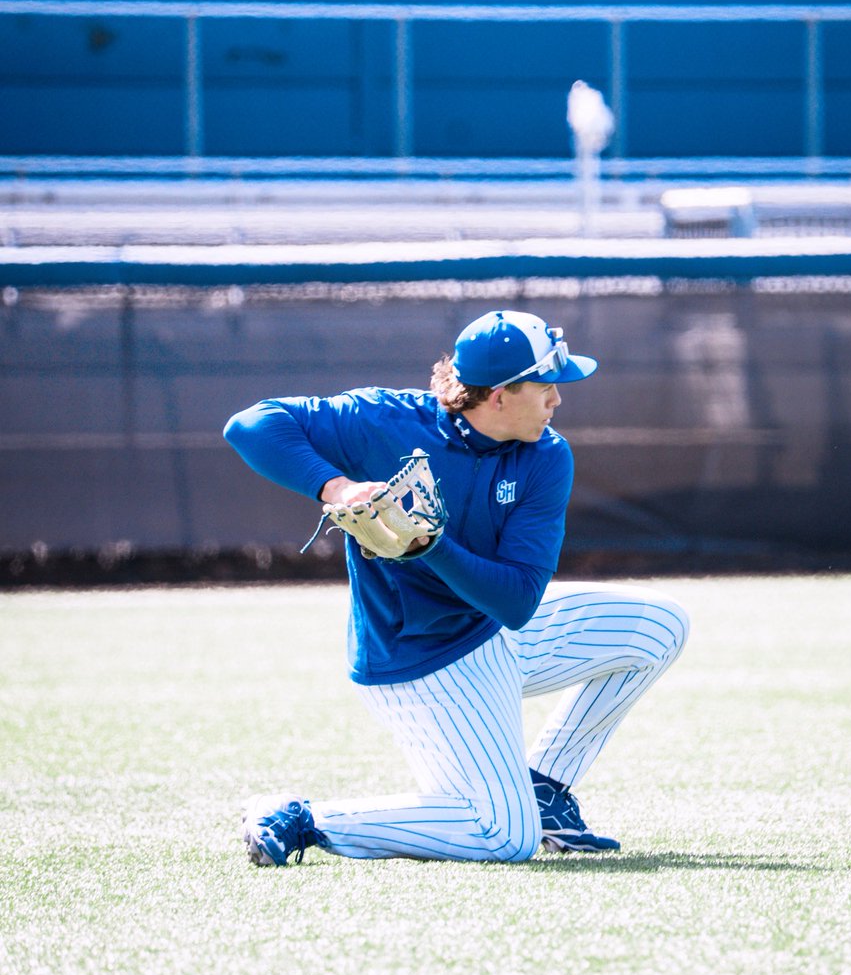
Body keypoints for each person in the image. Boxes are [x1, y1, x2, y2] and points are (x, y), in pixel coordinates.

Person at [223, 308, 689, 865]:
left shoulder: (545, 457)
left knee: (659, 626)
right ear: (497, 396)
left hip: (496, 625)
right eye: (545, 387)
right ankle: (304, 820)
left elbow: (515, 603)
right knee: (504, 836)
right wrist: (336, 487)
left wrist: (430, 546)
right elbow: (251, 423)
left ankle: (545, 787)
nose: (557, 401)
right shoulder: (385, 420)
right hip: (421, 656)